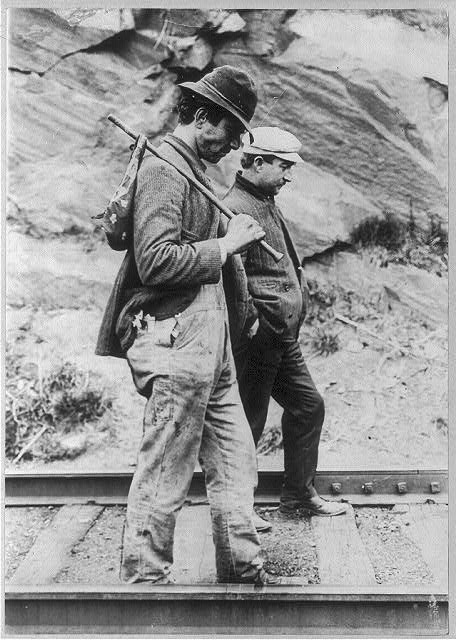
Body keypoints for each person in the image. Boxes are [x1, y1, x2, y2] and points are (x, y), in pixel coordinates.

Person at [96, 67, 280, 585]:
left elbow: (218, 267)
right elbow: (155, 261)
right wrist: (226, 245)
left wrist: (240, 315)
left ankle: (242, 572)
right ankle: (146, 584)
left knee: (237, 461)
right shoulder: (164, 168)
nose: (234, 147)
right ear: (202, 118)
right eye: (231, 132)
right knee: (166, 469)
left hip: (209, 338)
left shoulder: (198, 169)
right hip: (175, 335)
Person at [223, 126, 347, 518]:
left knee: (308, 407)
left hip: (279, 337)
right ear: (257, 163)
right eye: (284, 166)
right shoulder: (234, 207)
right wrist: (254, 324)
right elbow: (233, 279)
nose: (289, 175)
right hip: (259, 339)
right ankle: (237, 514)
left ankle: (297, 497)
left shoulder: (263, 197)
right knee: (249, 426)